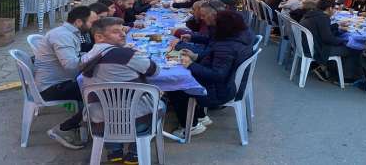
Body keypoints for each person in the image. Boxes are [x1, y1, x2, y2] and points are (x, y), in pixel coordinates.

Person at [79, 17, 162, 164]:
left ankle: (114, 150)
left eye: (123, 30)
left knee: (109, 104)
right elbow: (155, 71)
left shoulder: (86, 57)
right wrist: (138, 54)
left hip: (99, 121)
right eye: (116, 32)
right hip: (135, 120)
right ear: (99, 37)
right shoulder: (126, 54)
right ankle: (135, 152)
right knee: (161, 103)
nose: (123, 34)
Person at [167, 10, 254, 138]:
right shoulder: (239, 38)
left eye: (215, 25)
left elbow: (217, 75)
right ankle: (201, 116)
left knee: (176, 85)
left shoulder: (226, 46)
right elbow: (214, 58)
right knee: (184, 78)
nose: (212, 28)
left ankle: (191, 126)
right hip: (228, 85)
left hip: (219, 92)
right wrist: (195, 56)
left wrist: (190, 64)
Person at [32, 6, 97, 149]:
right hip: (51, 87)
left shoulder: (68, 33)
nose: (95, 26)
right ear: (79, 22)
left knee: (98, 86)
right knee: (98, 91)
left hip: (61, 81)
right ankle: (63, 129)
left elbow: (75, 58)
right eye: (92, 22)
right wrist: (97, 55)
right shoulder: (62, 36)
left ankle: (88, 124)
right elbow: (71, 65)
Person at [300, 0, 360, 83]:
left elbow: (321, 30)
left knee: (345, 44)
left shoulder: (312, 14)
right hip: (317, 49)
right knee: (352, 48)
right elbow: (328, 39)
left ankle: (329, 69)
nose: (335, 10)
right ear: (329, 8)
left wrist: (336, 25)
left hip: (308, 45)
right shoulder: (323, 17)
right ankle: (346, 77)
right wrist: (343, 40)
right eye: (335, 8)